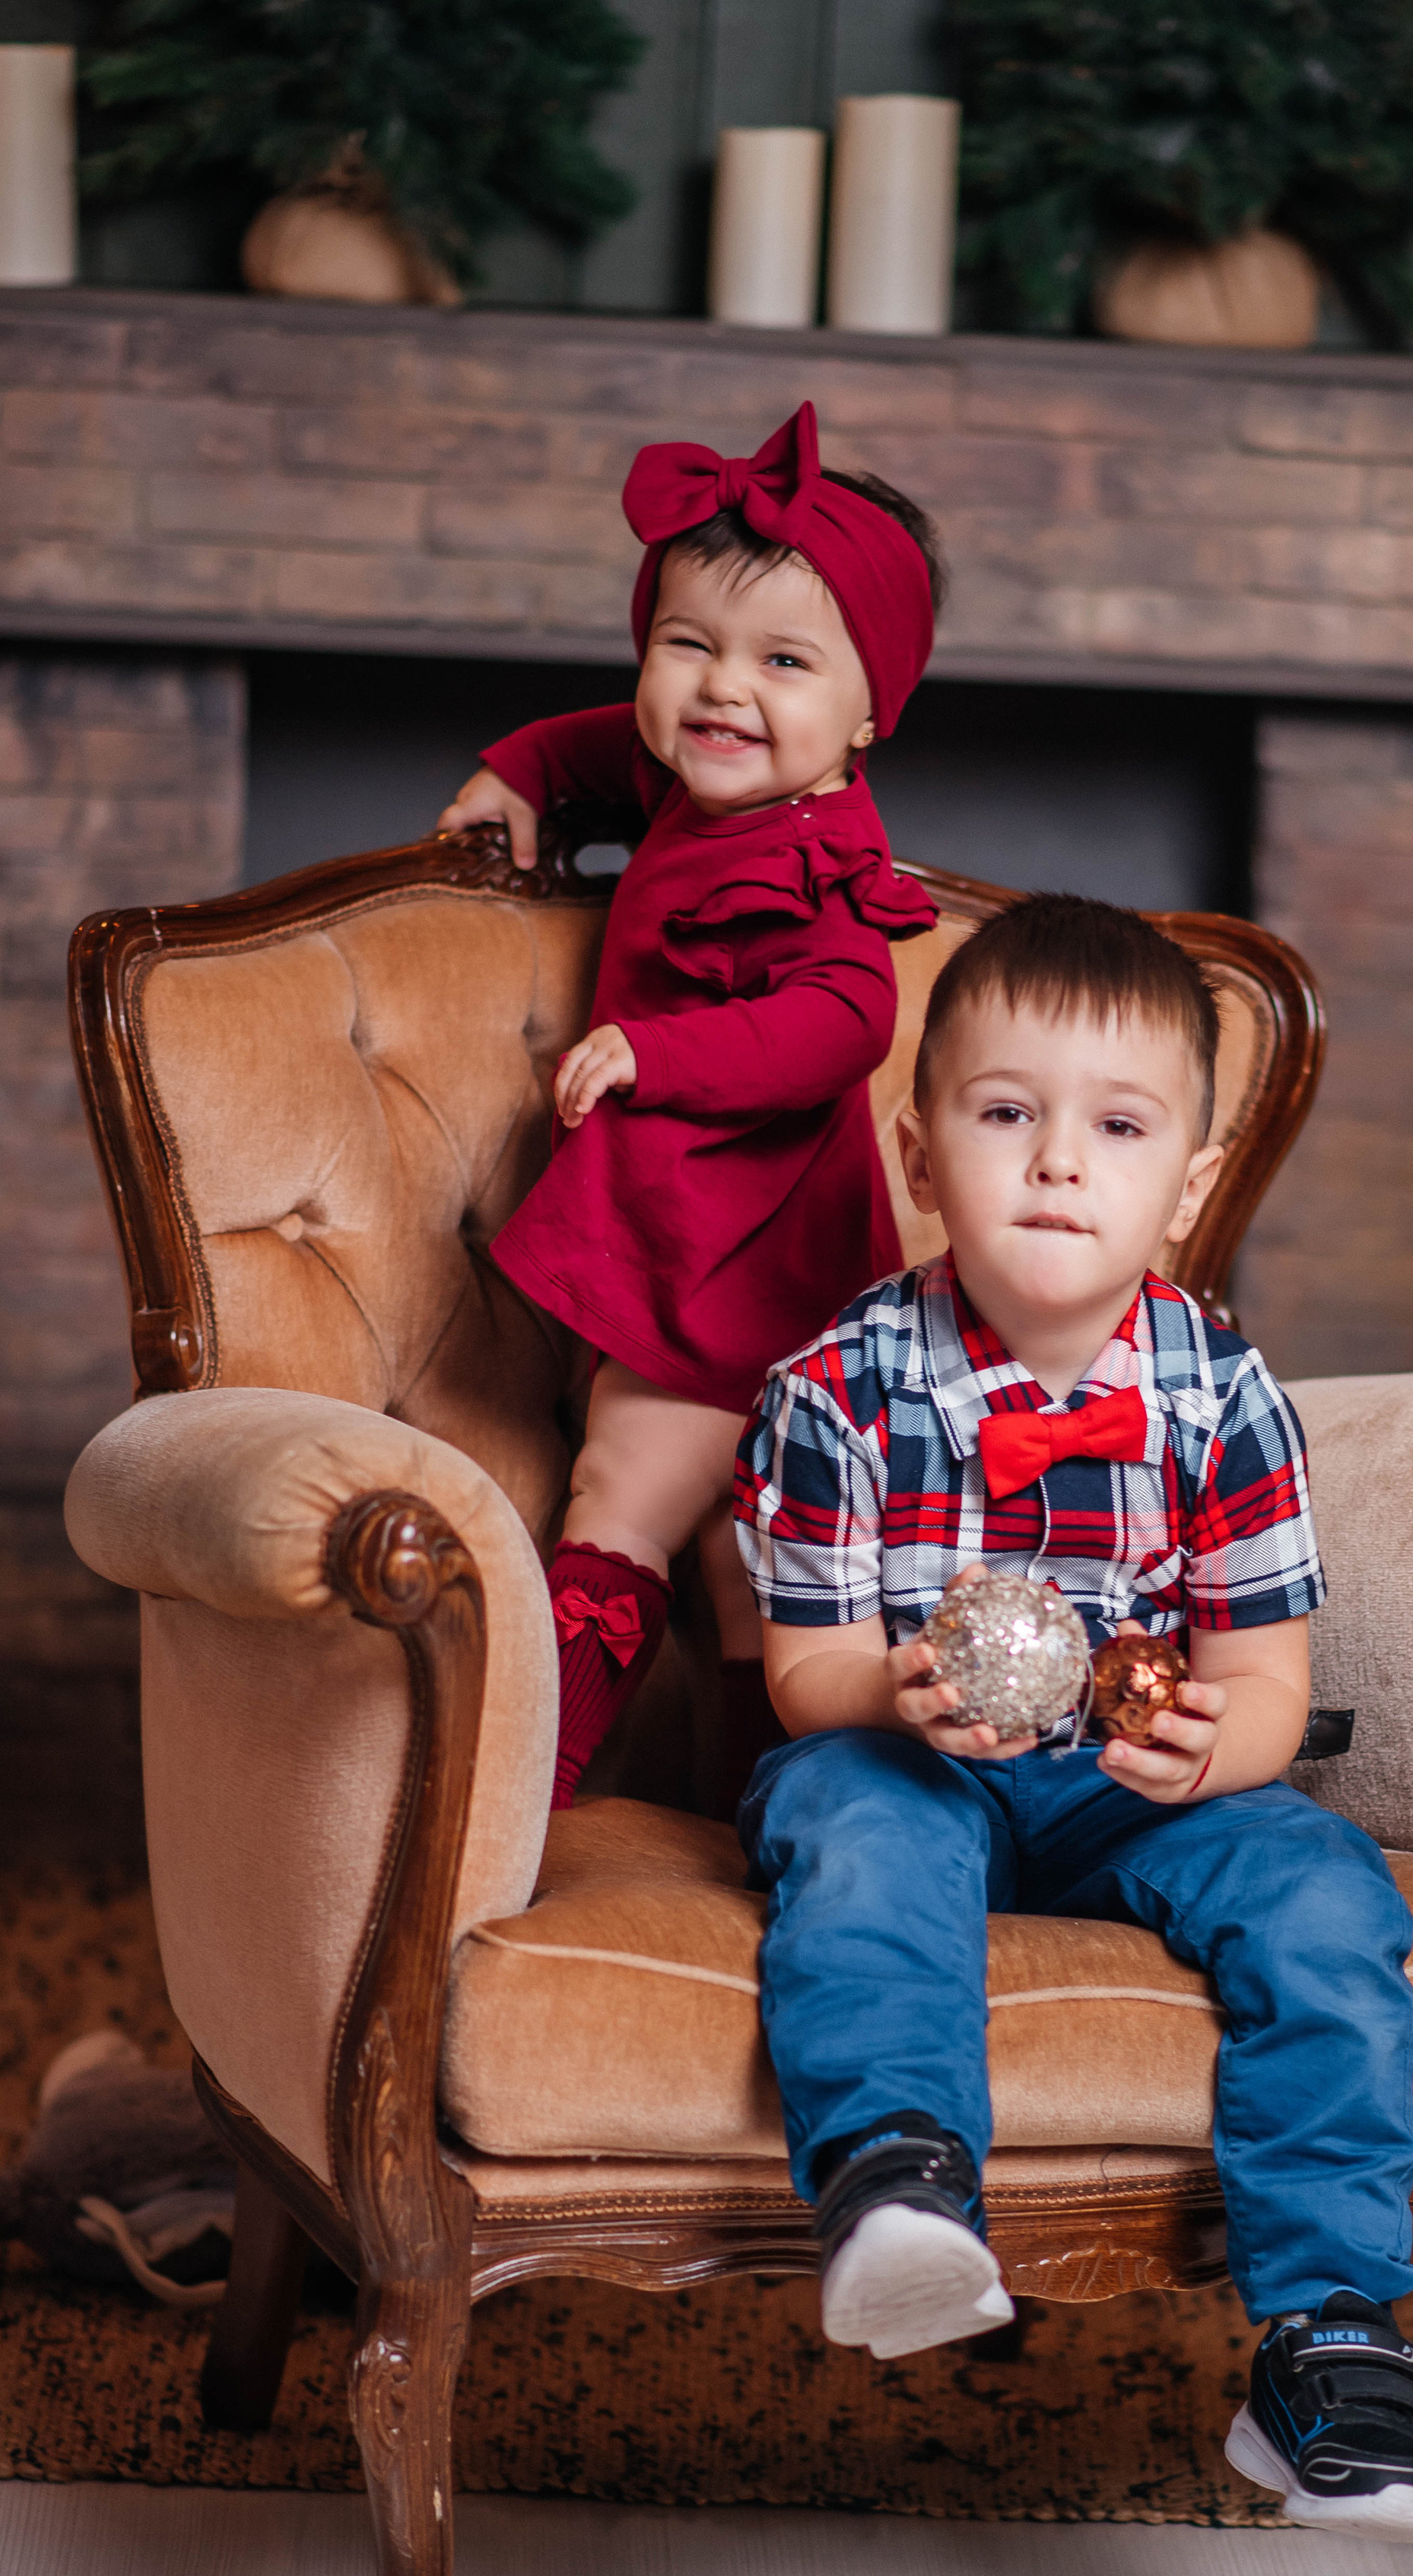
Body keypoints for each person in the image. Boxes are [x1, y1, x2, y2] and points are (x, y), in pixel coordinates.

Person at [732, 892, 1413, 2544]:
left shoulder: (1221, 1390)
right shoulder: (834, 1387)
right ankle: (900, 2190)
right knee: (852, 1829)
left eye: (1114, 1128)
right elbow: (805, 1665)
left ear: (1187, 1188)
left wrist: (1217, 1750)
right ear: (920, 1157)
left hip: (1136, 1791)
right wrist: (895, 1692)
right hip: (918, 1761)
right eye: (1006, 1116)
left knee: (1327, 1897)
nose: (1057, 1163)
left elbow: (1263, 1677)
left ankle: (1325, 2341)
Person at [439, 402, 942, 1812]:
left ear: (869, 711)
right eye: (687, 645)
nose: (723, 691)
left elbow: (846, 1018)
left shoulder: (810, 863)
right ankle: (767, 1818)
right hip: (727, 1257)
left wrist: (665, 1055)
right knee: (749, 1580)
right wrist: (517, 776)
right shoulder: (705, 775)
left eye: (785, 661)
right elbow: (599, 743)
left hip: (745, 1280)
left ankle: (504, 1806)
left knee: (621, 1500)